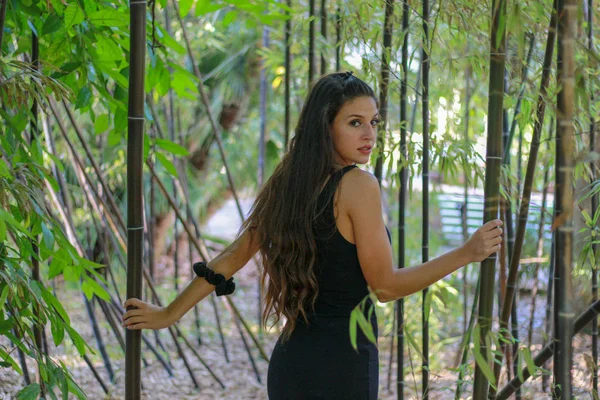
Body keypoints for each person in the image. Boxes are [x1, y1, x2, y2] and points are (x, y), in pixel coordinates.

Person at [121, 72, 503, 399]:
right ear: (326, 125)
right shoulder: (359, 186)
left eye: (374, 122)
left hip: (291, 365)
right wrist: (465, 253)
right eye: (355, 122)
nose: (369, 133)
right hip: (342, 368)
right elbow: (384, 287)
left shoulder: (288, 182)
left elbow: (233, 256)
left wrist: (169, 313)